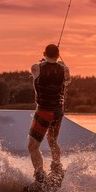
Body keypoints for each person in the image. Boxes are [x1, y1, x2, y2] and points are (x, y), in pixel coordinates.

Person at [28, 44, 70, 184]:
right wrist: (60, 64)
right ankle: (57, 168)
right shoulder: (65, 70)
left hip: (44, 111)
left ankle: (40, 175)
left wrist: (44, 62)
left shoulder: (36, 67)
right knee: (52, 141)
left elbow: (38, 71)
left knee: (33, 146)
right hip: (58, 112)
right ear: (58, 55)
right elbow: (67, 80)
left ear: (44, 53)